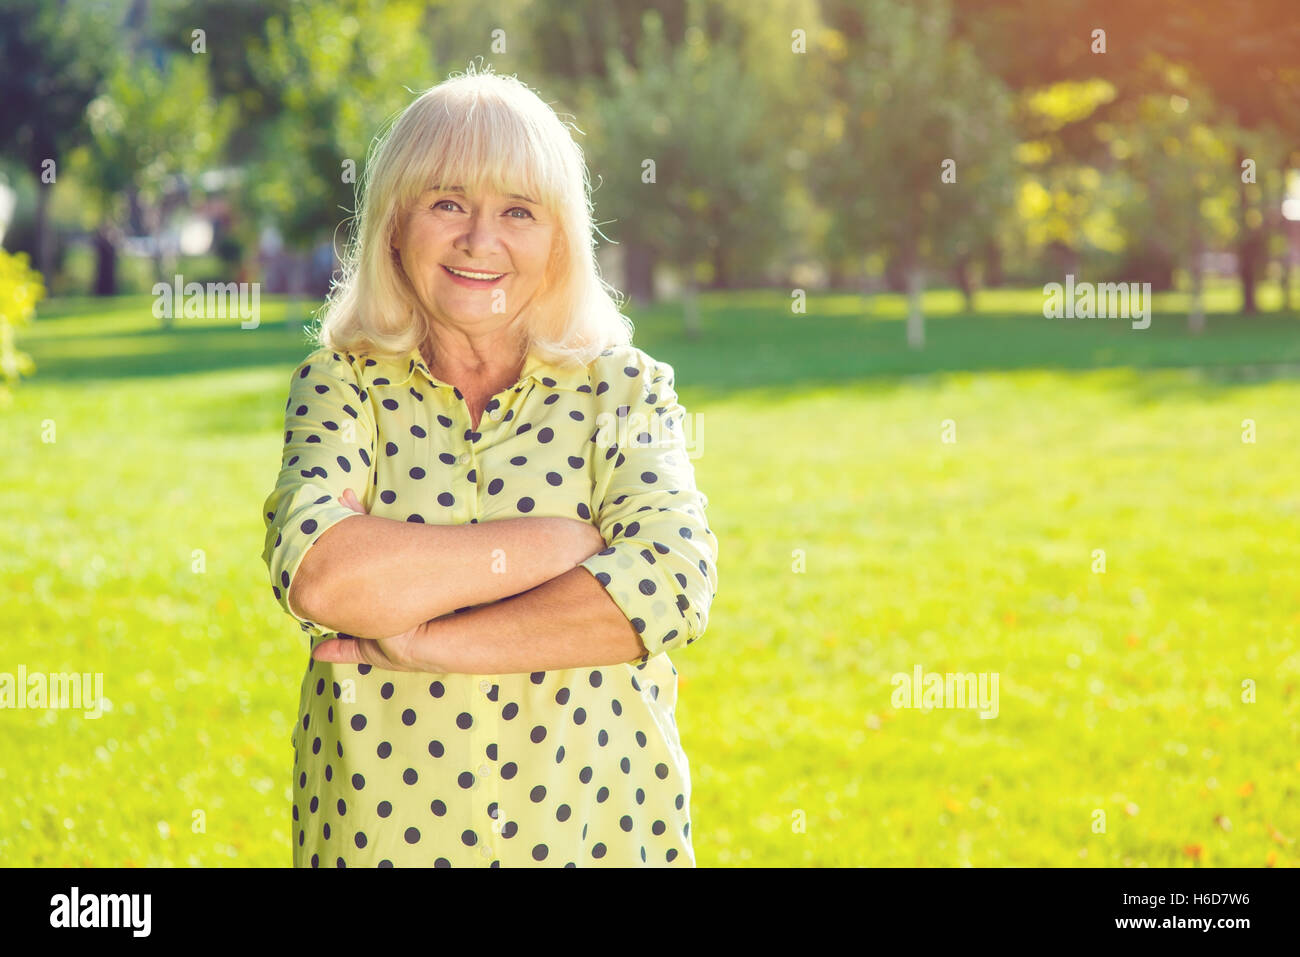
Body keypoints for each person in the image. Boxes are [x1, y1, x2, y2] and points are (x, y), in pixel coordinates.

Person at [259, 63, 719, 867]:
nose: (480, 240)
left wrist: (424, 640)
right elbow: (323, 575)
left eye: (518, 210)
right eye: (447, 203)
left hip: (597, 836)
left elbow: (670, 585)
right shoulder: (341, 386)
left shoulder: (625, 387)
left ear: (560, 238)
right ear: (395, 224)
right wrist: (562, 543)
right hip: (377, 837)